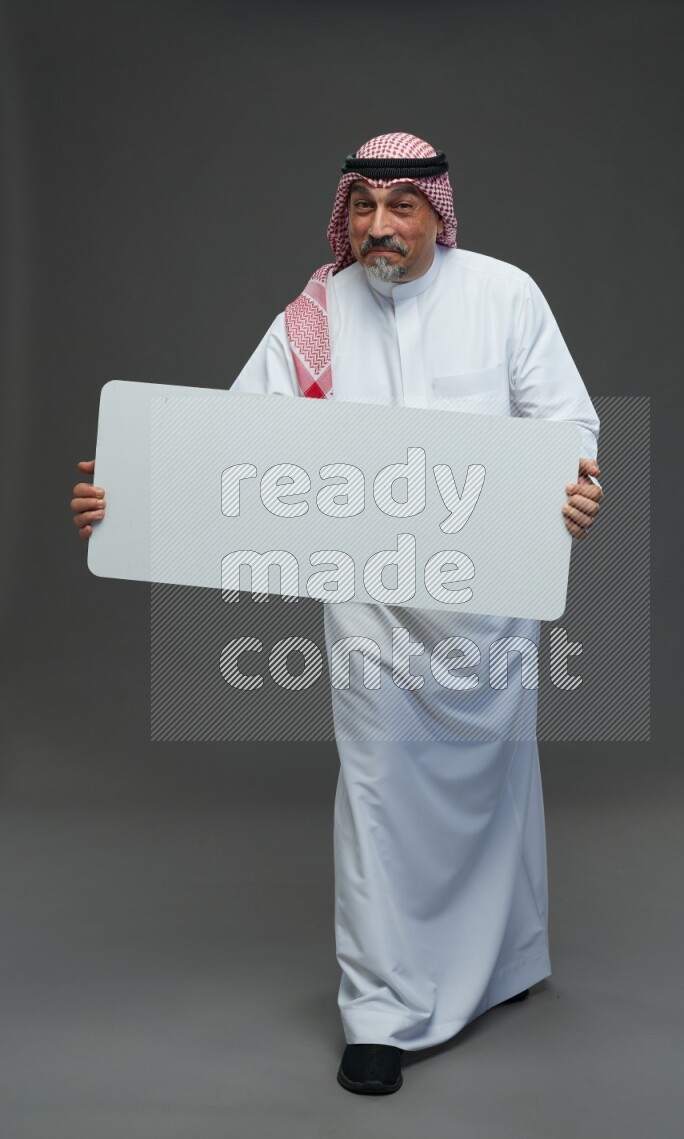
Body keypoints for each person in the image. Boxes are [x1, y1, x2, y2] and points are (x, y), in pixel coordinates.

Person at [70, 132, 603, 1096]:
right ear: (344, 214)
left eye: (402, 205)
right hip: (368, 612)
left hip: (489, 614)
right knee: (379, 798)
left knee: (498, 787)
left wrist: (572, 486)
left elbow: (567, 422)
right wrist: (129, 498)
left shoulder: (505, 294)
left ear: (438, 210)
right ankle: (381, 1012)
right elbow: (227, 447)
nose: (380, 225)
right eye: (362, 204)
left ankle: (508, 962)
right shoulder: (314, 317)